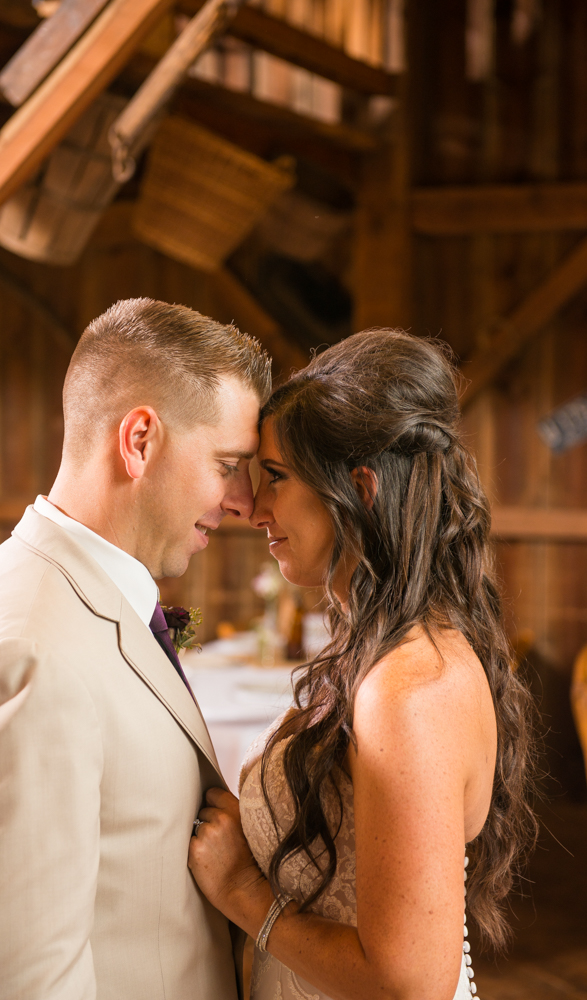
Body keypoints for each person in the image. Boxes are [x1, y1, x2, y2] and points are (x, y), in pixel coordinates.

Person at [0, 298, 271, 1000]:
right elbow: (6, 986)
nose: (241, 501)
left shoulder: (86, 599)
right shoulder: (28, 657)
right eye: (227, 464)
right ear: (139, 440)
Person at [189, 329, 537, 1000]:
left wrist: (239, 889)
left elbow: (406, 980)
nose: (255, 507)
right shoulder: (384, 651)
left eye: (278, 478)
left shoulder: (409, 689)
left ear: (360, 489)